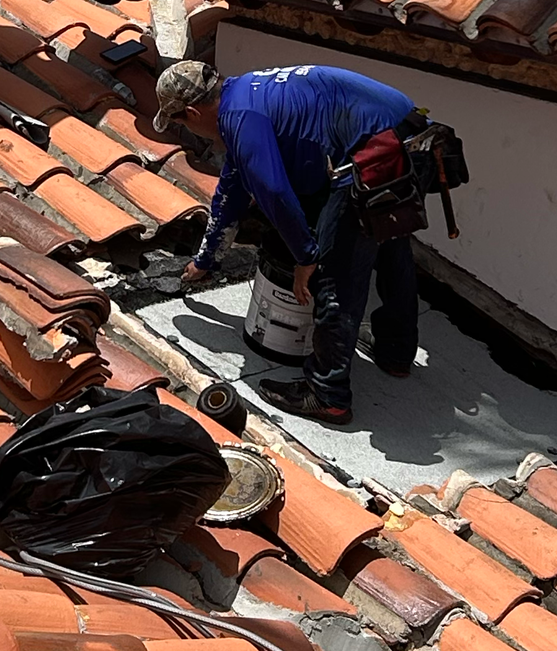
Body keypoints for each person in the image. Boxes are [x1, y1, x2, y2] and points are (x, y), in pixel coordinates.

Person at [155, 59, 423, 425]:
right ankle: (396, 352)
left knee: (334, 277)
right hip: (410, 137)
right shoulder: (244, 93)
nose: (189, 131)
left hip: (374, 153)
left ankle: (327, 395)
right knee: (391, 245)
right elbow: (231, 192)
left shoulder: (241, 118)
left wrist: (306, 258)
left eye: (181, 123)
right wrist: (206, 260)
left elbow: (274, 191)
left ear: (191, 111)